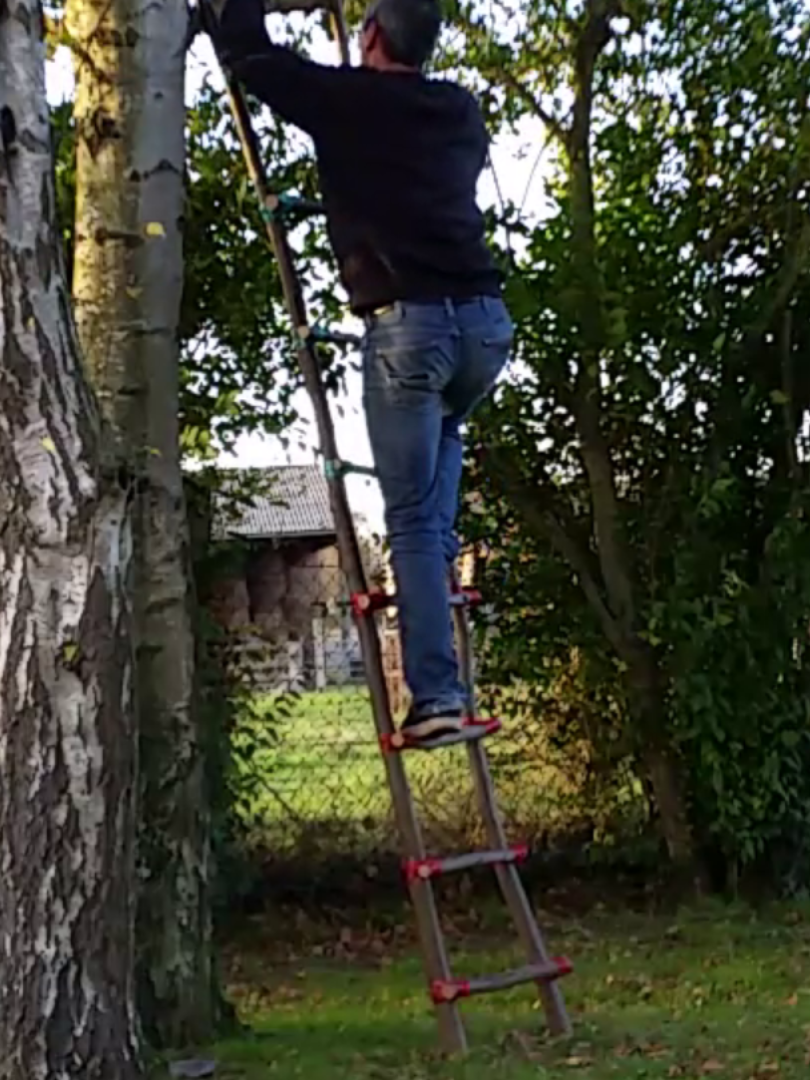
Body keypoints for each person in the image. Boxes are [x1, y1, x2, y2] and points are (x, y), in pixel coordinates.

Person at [202, 0, 511, 742]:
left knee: (407, 518)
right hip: (485, 330)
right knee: (433, 516)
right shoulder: (460, 112)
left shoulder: (348, 104)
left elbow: (254, 58)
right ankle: (450, 685)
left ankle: (437, 699)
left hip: (411, 332)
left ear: (369, 35)